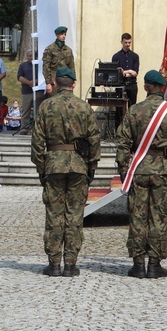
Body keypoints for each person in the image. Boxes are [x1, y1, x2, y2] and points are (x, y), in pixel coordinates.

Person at [115, 70, 167, 279]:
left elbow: (122, 142)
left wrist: (124, 169)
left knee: (138, 216)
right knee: (159, 217)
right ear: (162, 88)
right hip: (162, 171)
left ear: (145, 87)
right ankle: (154, 264)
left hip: (139, 170)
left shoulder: (134, 111)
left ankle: (138, 263)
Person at [31, 67, 100, 277]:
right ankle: (70, 263)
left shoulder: (46, 106)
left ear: (57, 84)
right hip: (78, 166)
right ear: (73, 84)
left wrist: (42, 167)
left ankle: (53, 264)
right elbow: (94, 139)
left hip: (53, 165)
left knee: (54, 214)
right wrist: (91, 167)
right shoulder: (83, 106)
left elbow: (37, 142)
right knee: (75, 215)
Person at [17, 50, 44, 135]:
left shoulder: (40, 65)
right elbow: (19, 77)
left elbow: (44, 77)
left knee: (38, 111)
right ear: (27, 56)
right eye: (29, 56)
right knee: (26, 111)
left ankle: (37, 129)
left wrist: (35, 81)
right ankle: (24, 128)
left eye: (32, 56)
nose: (31, 57)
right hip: (26, 91)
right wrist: (29, 82)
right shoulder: (23, 66)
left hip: (38, 91)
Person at [42, 26, 75, 96]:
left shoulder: (68, 50)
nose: (63, 36)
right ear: (57, 35)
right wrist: (48, 83)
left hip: (66, 82)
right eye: (62, 34)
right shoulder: (49, 49)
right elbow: (46, 67)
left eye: (65, 34)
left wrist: (73, 80)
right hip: (54, 82)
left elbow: (71, 67)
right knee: (54, 104)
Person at [112, 32, 140, 107]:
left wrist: (125, 72)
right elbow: (117, 73)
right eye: (125, 42)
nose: (127, 44)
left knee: (132, 107)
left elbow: (135, 73)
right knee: (119, 108)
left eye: (129, 42)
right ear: (121, 42)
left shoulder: (135, 56)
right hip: (120, 85)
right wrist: (130, 72)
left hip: (132, 85)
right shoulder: (116, 56)